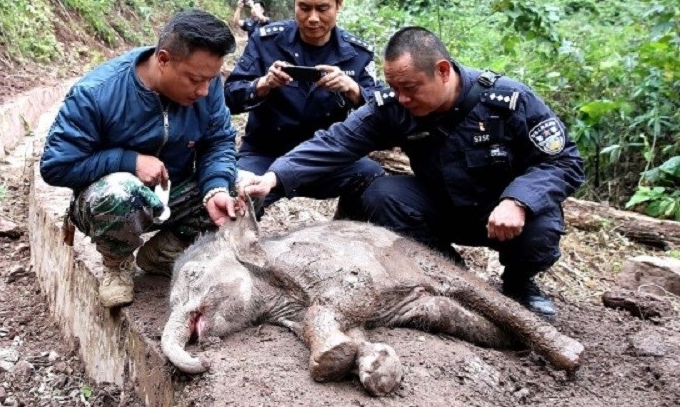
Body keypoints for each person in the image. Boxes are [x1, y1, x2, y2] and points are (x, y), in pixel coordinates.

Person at [242, 26, 585, 319]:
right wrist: (275, 177)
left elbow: (565, 161)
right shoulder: (396, 104)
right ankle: (450, 272)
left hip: (503, 215)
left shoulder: (508, 100)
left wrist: (519, 201)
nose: (402, 98)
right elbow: (336, 142)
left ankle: (519, 283)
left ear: (443, 70)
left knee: (542, 223)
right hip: (442, 207)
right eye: (395, 87)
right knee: (380, 193)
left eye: (411, 88)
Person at [39, 9, 243, 309]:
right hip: (109, 204)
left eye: (212, 80)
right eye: (195, 79)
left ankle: (166, 251)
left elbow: (219, 141)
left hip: (171, 194)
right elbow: (57, 165)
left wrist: (216, 188)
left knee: (243, 189)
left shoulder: (207, 90)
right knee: (119, 190)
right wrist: (128, 161)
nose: (204, 91)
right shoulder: (96, 94)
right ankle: (117, 261)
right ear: (163, 59)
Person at [224, 0, 384, 217]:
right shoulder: (266, 41)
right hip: (265, 153)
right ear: (294, 2)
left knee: (373, 178)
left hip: (324, 157)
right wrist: (264, 84)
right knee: (238, 196)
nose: (312, 18)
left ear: (339, 4)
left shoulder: (358, 54)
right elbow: (229, 97)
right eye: (304, 7)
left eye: (323, 8)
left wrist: (352, 89)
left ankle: (344, 241)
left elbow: (381, 112)